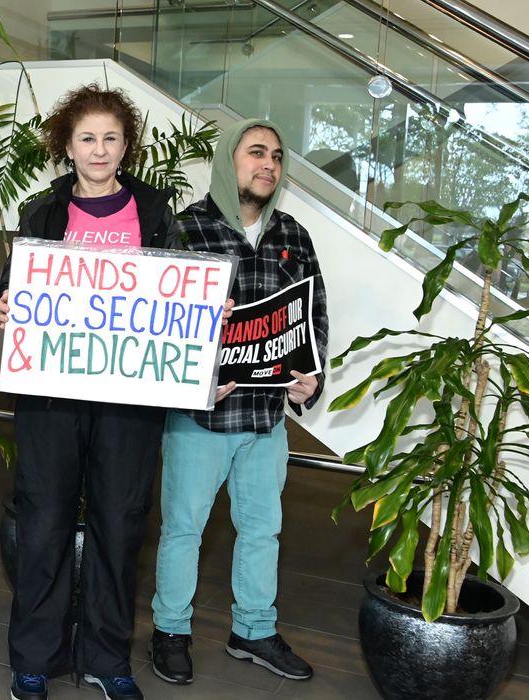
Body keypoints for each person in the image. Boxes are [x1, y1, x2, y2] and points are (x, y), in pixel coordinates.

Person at [0, 84, 174, 700]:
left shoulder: (155, 211)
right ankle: (34, 660)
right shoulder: (40, 214)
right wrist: (4, 302)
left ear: (127, 146)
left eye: (111, 138)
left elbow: (179, 292)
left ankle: (106, 657)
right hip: (50, 397)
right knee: (42, 523)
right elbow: (11, 287)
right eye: (87, 138)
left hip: (129, 399)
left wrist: (205, 311)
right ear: (66, 146)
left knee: (120, 526)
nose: (99, 149)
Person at [148, 118, 328, 685]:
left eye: (276, 155)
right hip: (201, 417)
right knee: (183, 529)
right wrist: (193, 377)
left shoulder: (293, 236)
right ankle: (170, 630)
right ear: (230, 161)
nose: (268, 164)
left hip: (267, 419)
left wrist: (310, 379)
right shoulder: (184, 231)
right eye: (255, 153)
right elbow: (158, 324)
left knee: (262, 530)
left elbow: (314, 314)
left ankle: (253, 629)